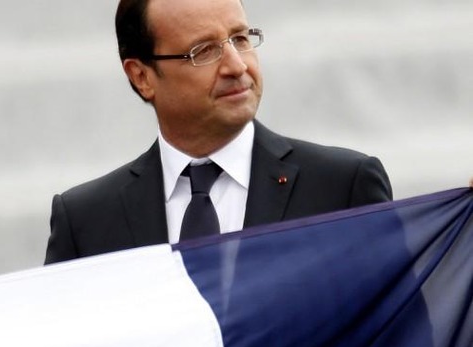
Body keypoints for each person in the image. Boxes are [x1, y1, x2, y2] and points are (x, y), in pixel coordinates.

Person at [44, 0, 392, 264]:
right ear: (142, 76)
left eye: (240, 38)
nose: (237, 66)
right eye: (204, 51)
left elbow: (398, 343)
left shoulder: (343, 188)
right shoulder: (85, 221)